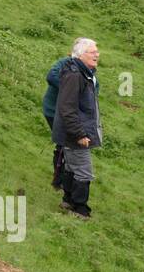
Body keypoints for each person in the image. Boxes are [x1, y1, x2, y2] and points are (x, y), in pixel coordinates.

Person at [52, 38, 102, 219]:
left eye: (97, 51)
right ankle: (80, 209)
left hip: (72, 132)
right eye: (92, 52)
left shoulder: (83, 73)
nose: (97, 54)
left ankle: (68, 200)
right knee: (83, 170)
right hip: (74, 134)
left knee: (72, 167)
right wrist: (79, 133)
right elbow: (67, 108)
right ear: (80, 55)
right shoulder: (75, 76)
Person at [42, 54, 71, 189]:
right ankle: (58, 181)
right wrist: (71, 90)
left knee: (67, 146)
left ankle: (63, 180)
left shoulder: (88, 68)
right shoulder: (64, 63)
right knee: (63, 145)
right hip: (53, 111)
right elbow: (51, 76)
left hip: (69, 114)